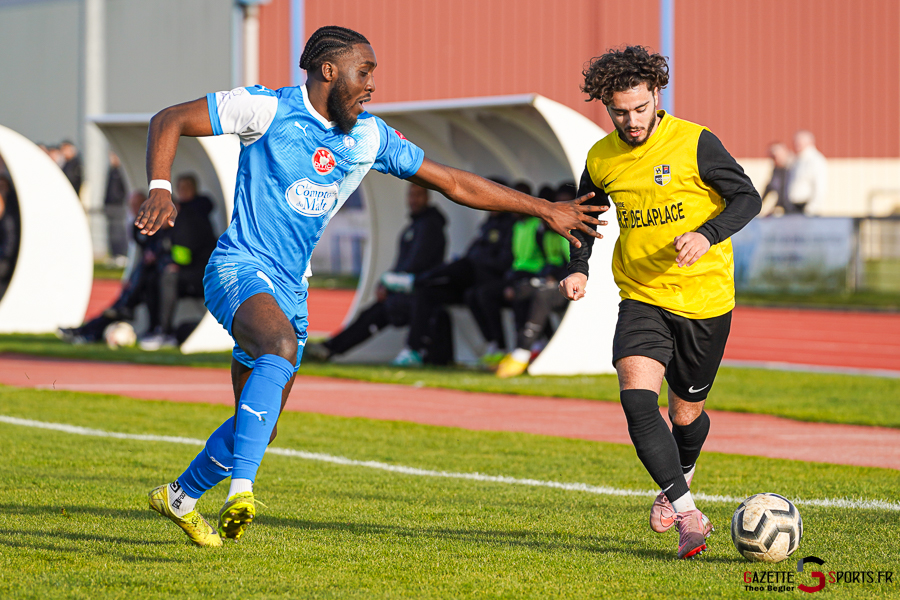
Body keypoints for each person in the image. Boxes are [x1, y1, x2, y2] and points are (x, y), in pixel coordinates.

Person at [136, 25, 603, 548]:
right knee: (279, 346)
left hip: (292, 287)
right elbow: (170, 119)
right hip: (239, 267)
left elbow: (452, 182)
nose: (372, 84)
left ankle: (180, 496)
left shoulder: (369, 137)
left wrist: (544, 209)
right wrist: (160, 186)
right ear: (328, 71)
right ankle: (241, 491)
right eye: (365, 72)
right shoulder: (265, 109)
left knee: (262, 424)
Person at [559, 46, 761, 560]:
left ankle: (681, 472)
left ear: (656, 95)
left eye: (640, 108)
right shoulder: (601, 158)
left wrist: (707, 234)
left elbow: (748, 197)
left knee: (686, 416)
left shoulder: (695, 142)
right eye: (619, 112)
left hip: (704, 300)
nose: (631, 121)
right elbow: (584, 216)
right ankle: (690, 515)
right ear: (606, 106)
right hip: (641, 295)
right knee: (636, 400)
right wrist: (579, 267)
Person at [304, 182, 446, 361]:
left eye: (419, 195)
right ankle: (329, 348)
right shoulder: (413, 227)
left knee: (375, 315)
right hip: (403, 292)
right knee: (370, 315)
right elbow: (402, 265)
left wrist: (391, 284)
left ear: (427, 197)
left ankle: (412, 353)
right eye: (411, 195)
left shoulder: (430, 226)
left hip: (418, 293)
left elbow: (417, 263)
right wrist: (385, 284)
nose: (414, 200)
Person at [391, 205, 516, 367]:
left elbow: (504, 261)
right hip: (472, 279)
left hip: (488, 277)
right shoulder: (486, 226)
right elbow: (472, 251)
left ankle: (415, 280)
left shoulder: (510, 227)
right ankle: (413, 349)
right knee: (426, 292)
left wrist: (477, 260)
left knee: (464, 271)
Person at [57, 191, 167, 344]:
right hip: (145, 278)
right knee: (118, 306)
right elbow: (143, 256)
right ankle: (86, 331)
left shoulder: (161, 227)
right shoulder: (137, 227)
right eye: (132, 206)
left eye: (139, 205)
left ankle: (88, 332)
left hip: (155, 278)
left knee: (121, 306)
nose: (135, 209)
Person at [495, 183, 574, 378]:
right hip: (555, 281)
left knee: (543, 295)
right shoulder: (546, 233)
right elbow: (551, 261)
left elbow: (574, 264)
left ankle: (524, 350)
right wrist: (548, 275)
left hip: (575, 285)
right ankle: (535, 345)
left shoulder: (573, 231)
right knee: (521, 290)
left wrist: (554, 276)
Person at [139, 174, 218, 350]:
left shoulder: (191, 217)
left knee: (168, 276)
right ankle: (153, 328)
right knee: (152, 278)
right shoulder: (179, 216)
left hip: (202, 272)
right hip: (188, 269)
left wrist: (172, 263)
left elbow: (183, 253)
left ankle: (165, 332)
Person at [786, 130, 828, 215]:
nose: (796, 146)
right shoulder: (798, 160)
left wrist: (811, 209)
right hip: (795, 208)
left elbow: (820, 187)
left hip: (807, 208)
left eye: (799, 143)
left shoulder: (815, 160)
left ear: (809, 143)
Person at [759, 142, 795, 216]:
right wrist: (758, 205)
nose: (774, 160)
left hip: (797, 209)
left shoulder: (795, 167)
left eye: (775, 157)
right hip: (786, 209)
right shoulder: (777, 169)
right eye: (772, 157)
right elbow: (770, 186)